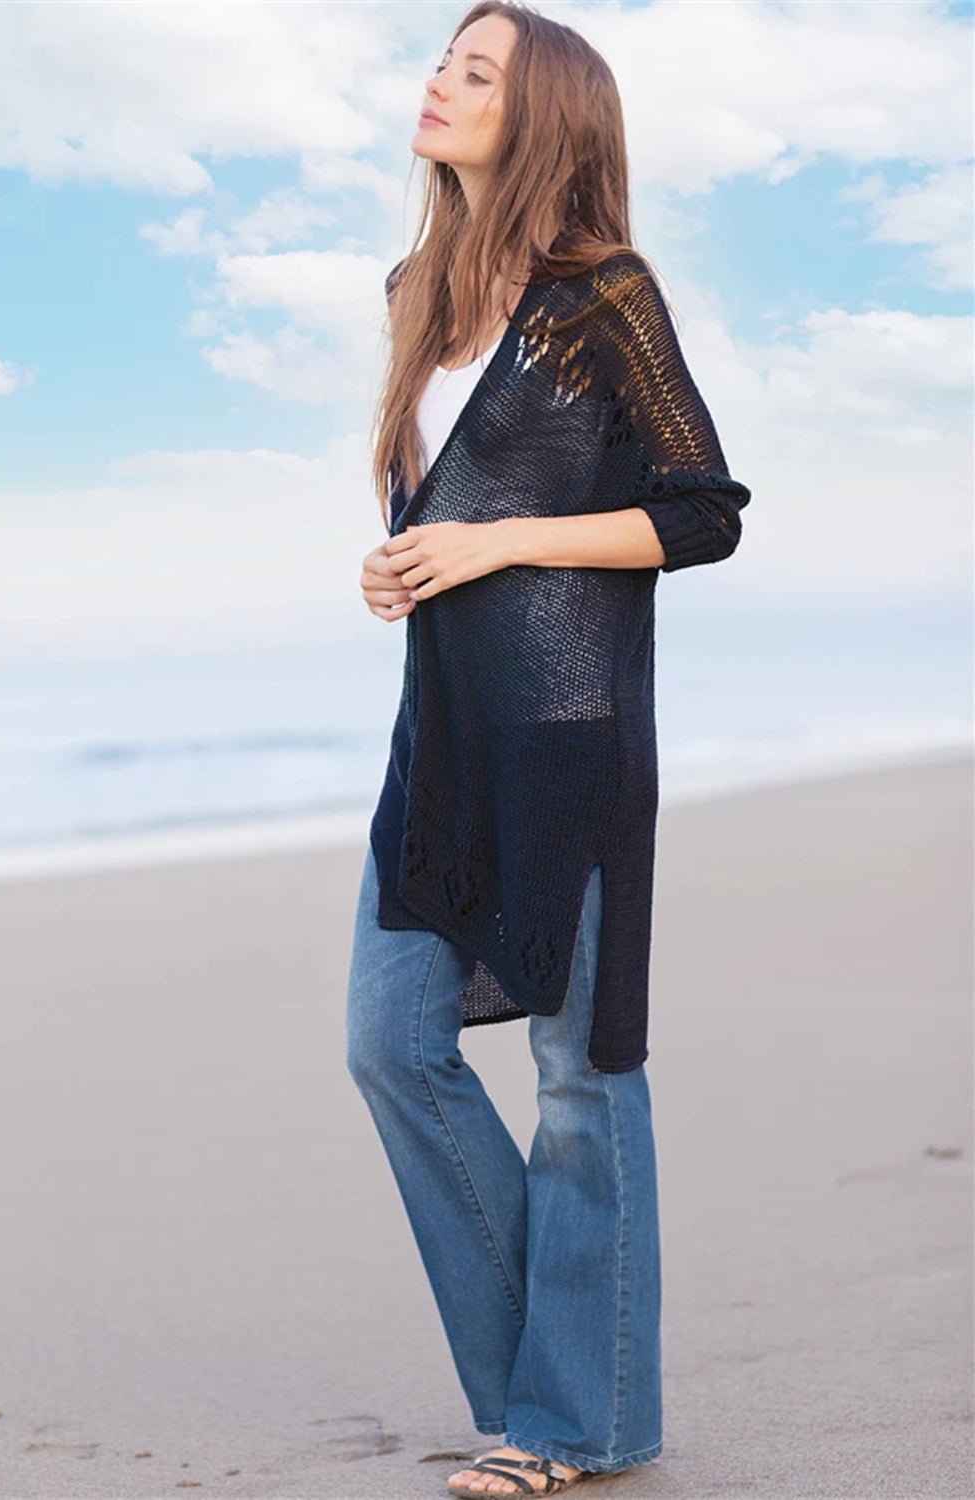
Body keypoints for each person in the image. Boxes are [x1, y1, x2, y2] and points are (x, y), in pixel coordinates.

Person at [346, 3, 752, 1495]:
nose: (439, 82)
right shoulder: (416, 291)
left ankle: (562, 1423)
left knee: (580, 1075)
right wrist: (400, 561)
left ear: (546, 117)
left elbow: (700, 511)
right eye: (442, 59)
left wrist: (493, 541)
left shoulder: (601, 297)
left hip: (569, 740)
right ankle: (572, 1390)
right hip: (443, 746)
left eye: (478, 71)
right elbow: (441, 514)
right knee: (388, 1046)